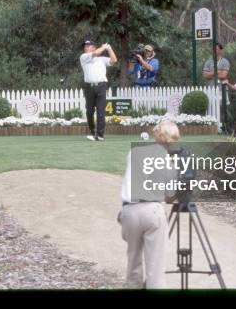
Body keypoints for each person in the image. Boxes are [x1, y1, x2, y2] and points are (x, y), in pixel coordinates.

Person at [118, 120, 182, 289]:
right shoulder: (169, 162)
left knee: (133, 260)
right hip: (152, 211)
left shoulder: (135, 152)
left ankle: (132, 286)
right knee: (155, 264)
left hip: (129, 210)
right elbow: (169, 196)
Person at [80, 39, 117, 141]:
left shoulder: (101, 59)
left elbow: (114, 60)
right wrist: (104, 46)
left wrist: (109, 48)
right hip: (89, 87)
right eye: (85, 46)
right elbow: (96, 53)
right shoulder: (83, 57)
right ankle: (93, 132)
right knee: (89, 111)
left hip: (101, 86)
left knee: (101, 111)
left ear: (93, 47)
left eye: (88, 46)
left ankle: (100, 135)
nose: (86, 48)